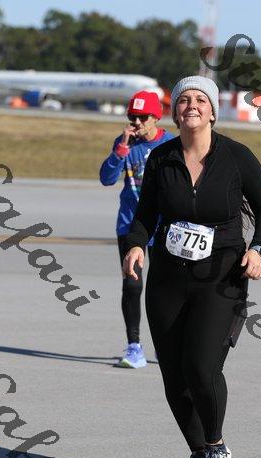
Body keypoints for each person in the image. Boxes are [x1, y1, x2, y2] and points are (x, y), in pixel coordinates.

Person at [122, 76, 261, 458]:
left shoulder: (236, 156)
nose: (191, 105)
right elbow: (145, 212)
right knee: (173, 374)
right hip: (168, 278)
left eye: (199, 100)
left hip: (222, 278)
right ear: (174, 112)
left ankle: (217, 446)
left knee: (201, 366)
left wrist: (258, 249)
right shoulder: (161, 157)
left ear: (212, 112)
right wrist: (136, 245)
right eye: (183, 100)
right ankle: (198, 453)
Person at [100, 91, 174, 368]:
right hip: (130, 224)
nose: (137, 122)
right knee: (132, 285)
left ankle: (166, 344)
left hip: (164, 226)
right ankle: (134, 347)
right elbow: (107, 179)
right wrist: (121, 149)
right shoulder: (125, 144)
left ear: (156, 117)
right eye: (133, 117)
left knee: (164, 288)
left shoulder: (171, 144)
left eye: (143, 117)